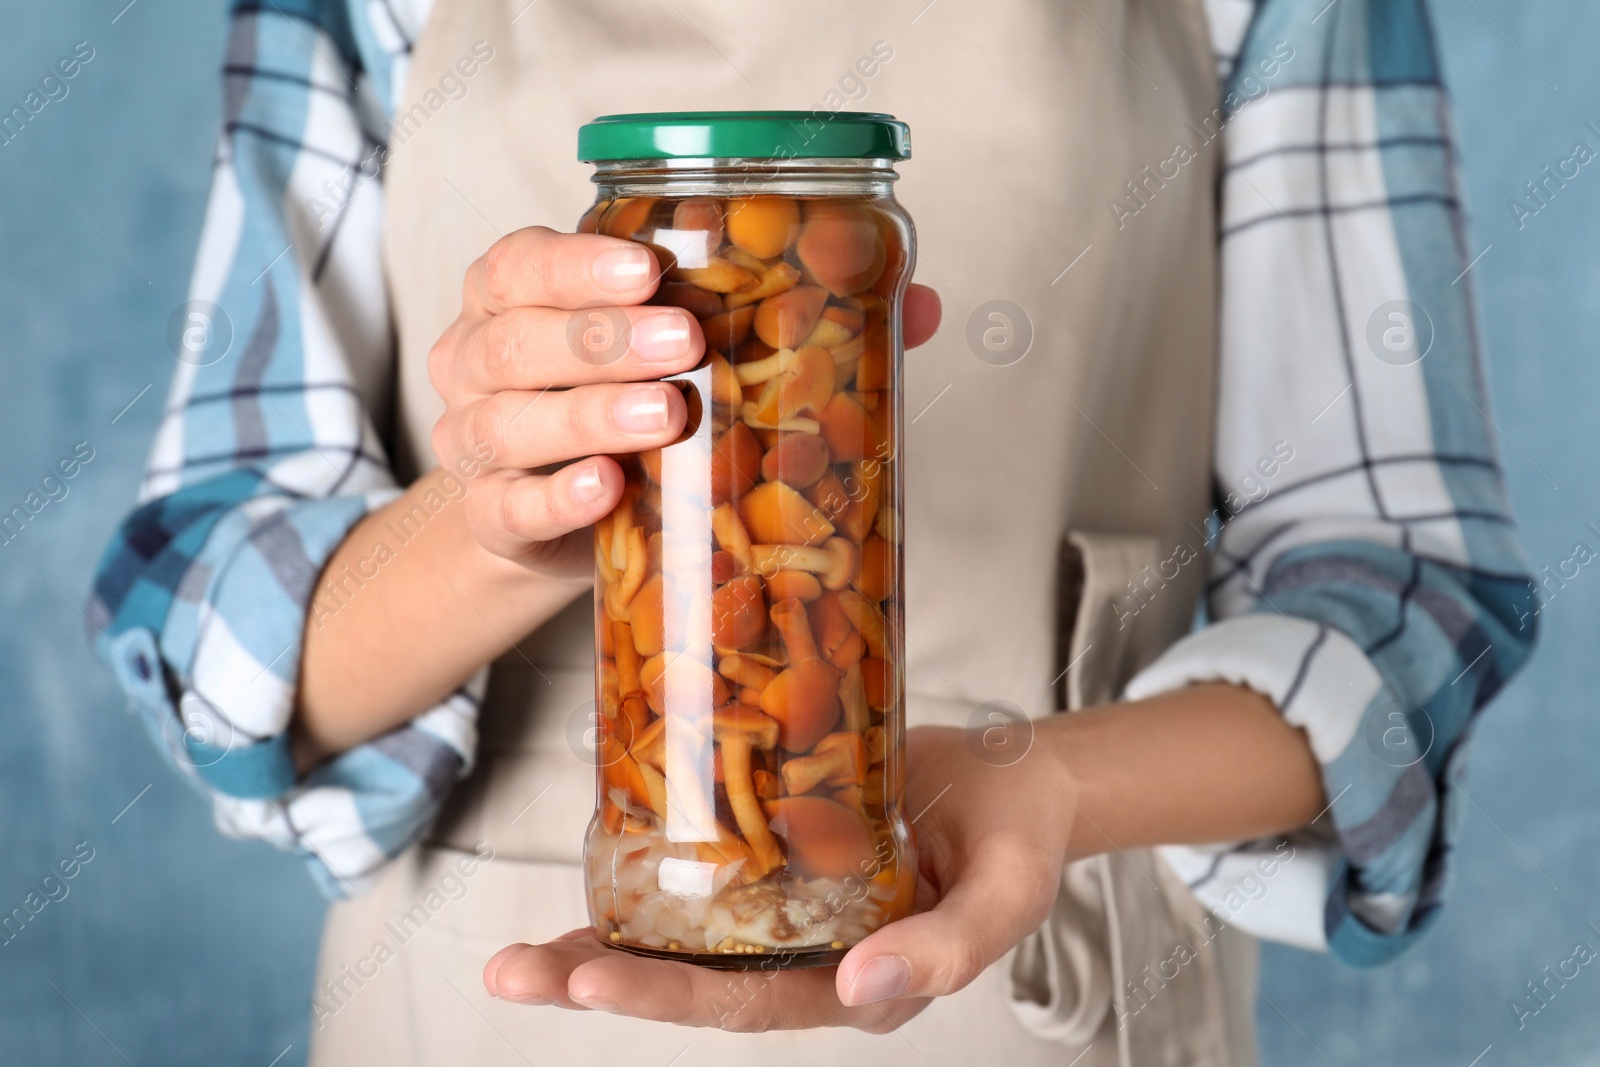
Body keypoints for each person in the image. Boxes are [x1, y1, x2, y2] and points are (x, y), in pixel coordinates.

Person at [89, 0, 1535, 1064]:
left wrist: (1053, 788)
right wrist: (498, 525)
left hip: (1050, 998)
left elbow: (1406, 600)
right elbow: (208, 633)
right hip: (473, 1010)